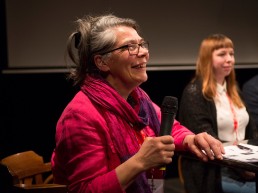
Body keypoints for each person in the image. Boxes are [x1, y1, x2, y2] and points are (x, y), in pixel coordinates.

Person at [51, 14, 224, 193]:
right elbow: (85, 190)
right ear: (102, 62)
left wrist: (191, 139)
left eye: (141, 44)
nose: (143, 52)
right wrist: (140, 162)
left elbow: (170, 127)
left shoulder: (137, 98)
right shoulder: (80, 116)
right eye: (130, 47)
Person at [178, 34, 258, 193]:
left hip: (245, 164)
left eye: (231, 54)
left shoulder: (233, 88)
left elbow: (251, 132)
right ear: (207, 58)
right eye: (222, 54)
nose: (229, 59)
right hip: (216, 169)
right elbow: (208, 143)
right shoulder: (194, 92)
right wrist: (243, 168)